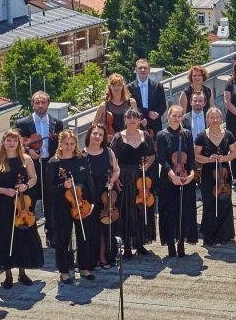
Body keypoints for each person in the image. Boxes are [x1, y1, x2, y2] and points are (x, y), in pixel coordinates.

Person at [0, 129, 42, 289]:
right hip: (4, 203)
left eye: (14, 140)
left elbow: (34, 178)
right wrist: (5, 190)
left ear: (19, 142)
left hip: (22, 203)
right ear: (3, 142)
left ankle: (22, 272)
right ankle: (8, 275)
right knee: (4, 237)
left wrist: (25, 185)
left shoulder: (25, 159)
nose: (11, 143)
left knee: (22, 237)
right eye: (8, 140)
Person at [14, 90, 65, 247]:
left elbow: (61, 144)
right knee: (30, 201)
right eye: (37, 102)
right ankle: (31, 236)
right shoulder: (22, 123)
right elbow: (16, 142)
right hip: (31, 168)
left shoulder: (57, 123)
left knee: (51, 202)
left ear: (48, 104)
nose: (40, 105)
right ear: (32, 104)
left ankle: (51, 234)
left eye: (43, 102)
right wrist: (28, 151)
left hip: (50, 167)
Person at [49, 130, 98, 283]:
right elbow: (48, 189)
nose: (69, 147)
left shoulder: (81, 159)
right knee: (63, 238)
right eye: (66, 144)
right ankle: (64, 271)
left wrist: (91, 201)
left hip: (81, 203)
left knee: (84, 236)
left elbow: (88, 180)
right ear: (60, 145)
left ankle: (84, 267)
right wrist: (62, 185)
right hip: (62, 205)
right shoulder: (54, 163)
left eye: (72, 143)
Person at [110, 108, 156, 257]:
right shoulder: (118, 137)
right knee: (126, 211)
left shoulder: (146, 135)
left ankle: (140, 243)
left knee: (140, 210)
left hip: (141, 179)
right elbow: (112, 160)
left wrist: (147, 165)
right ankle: (127, 247)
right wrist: (115, 178)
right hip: (124, 178)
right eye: (129, 118)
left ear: (138, 120)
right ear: (125, 120)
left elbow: (151, 156)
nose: (132, 120)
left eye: (135, 118)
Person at [156, 106, 198, 258]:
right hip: (168, 178)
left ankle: (181, 242)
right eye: (174, 115)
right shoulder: (162, 135)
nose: (177, 118)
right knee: (169, 211)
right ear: (168, 116)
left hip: (185, 177)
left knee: (184, 210)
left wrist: (192, 173)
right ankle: (170, 244)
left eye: (179, 116)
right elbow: (161, 158)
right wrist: (171, 174)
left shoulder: (187, 134)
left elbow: (191, 158)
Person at [196, 107, 236, 246]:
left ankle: (225, 235)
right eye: (212, 118)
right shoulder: (201, 136)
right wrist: (208, 159)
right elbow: (195, 155)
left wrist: (224, 158)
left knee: (225, 202)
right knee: (210, 203)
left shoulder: (229, 134)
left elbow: (234, 153)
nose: (215, 120)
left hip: (224, 173)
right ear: (207, 120)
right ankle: (211, 236)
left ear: (221, 118)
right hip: (208, 173)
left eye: (217, 117)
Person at [84, 124, 121, 269]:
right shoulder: (82, 154)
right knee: (92, 228)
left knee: (106, 227)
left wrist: (112, 180)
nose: (97, 137)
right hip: (89, 195)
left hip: (106, 194)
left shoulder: (108, 151)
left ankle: (104, 257)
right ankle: (92, 259)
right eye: (95, 134)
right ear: (89, 135)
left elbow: (116, 170)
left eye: (100, 134)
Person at [131, 58, 168, 131]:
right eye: (140, 68)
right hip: (137, 124)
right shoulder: (130, 88)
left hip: (155, 124)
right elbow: (130, 107)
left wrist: (156, 113)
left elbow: (163, 105)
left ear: (149, 70)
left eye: (145, 68)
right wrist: (145, 115)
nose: (142, 70)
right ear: (136, 70)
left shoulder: (158, 86)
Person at [96, 72, 136, 136]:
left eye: (119, 85)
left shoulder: (132, 103)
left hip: (128, 140)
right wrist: (104, 135)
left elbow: (136, 123)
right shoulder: (103, 106)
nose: (116, 88)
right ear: (110, 87)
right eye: (114, 85)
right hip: (110, 142)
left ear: (123, 86)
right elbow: (94, 126)